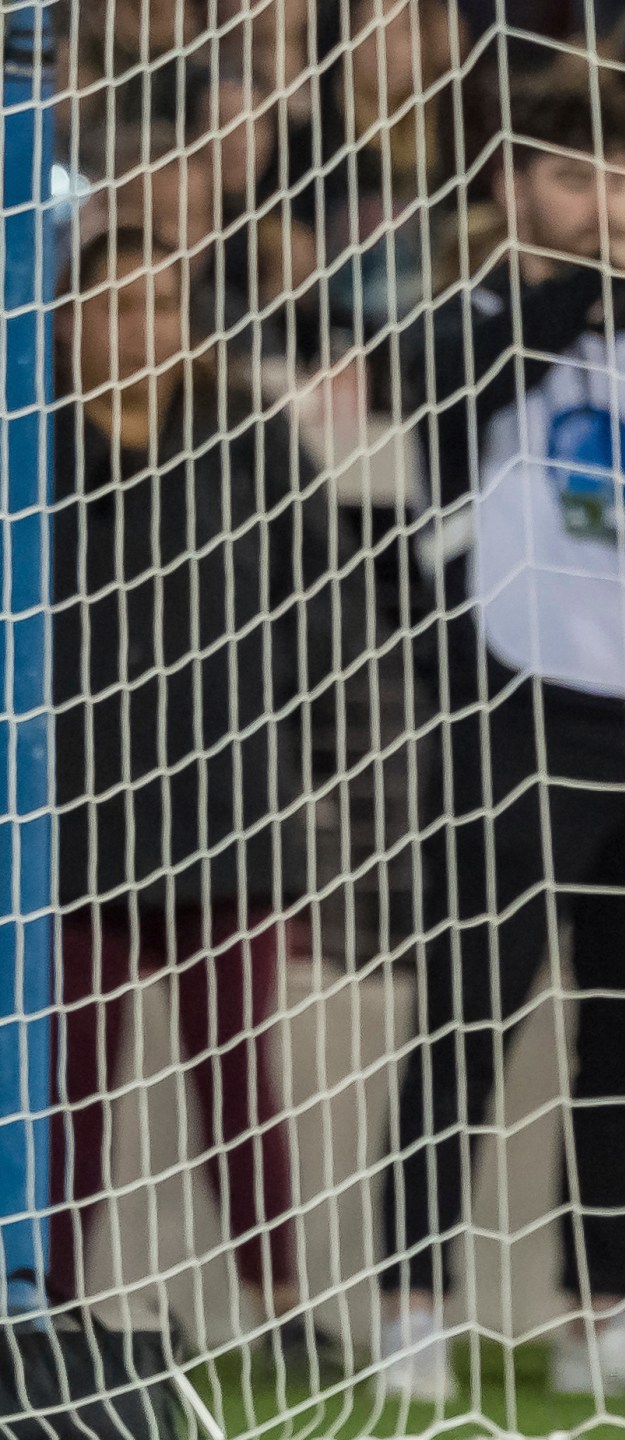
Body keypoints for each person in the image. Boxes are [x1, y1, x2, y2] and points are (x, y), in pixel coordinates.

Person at [375, 75, 625, 1402]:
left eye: (620, 183)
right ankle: (413, 1295)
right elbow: (484, 371)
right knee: (470, 1009)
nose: (601, 207)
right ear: (509, 194)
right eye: (567, 180)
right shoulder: (468, 322)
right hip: (515, 699)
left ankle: (599, 1297)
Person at [47, 228, 340, 1366]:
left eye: (161, 305)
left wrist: (297, 748)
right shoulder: (33, 452)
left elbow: (318, 603)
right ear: (65, 323)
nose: (140, 330)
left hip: (226, 808)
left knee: (239, 1076)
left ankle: (278, 1309)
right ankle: (49, 1306)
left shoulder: (249, 439)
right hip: (69, 820)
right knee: (67, 1085)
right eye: (114, 307)